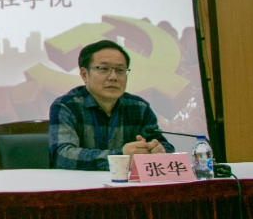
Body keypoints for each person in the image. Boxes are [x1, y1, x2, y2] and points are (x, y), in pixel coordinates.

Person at [49, 39, 173, 170]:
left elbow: (164, 145)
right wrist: (121, 157)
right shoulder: (67, 106)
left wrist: (158, 150)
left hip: (127, 182)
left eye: (120, 70)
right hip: (82, 183)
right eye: (104, 69)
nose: (113, 77)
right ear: (84, 74)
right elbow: (61, 156)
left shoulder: (140, 107)